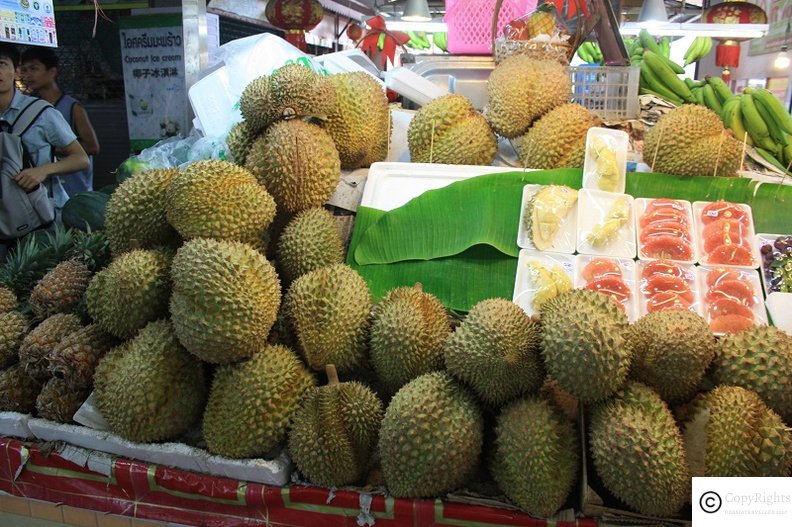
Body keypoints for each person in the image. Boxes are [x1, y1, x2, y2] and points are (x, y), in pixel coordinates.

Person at [0, 42, 89, 257]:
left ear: (16, 72)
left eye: (1, 64)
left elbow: (81, 158)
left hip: (43, 221)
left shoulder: (41, 113)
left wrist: (43, 171)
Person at [20, 46, 99, 197]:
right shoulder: (29, 108)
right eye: (24, 70)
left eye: (34, 68)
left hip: (75, 191)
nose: (28, 75)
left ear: (52, 71)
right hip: (46, 193)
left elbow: (92, 146)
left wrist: (49, 147)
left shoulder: (73, 107)